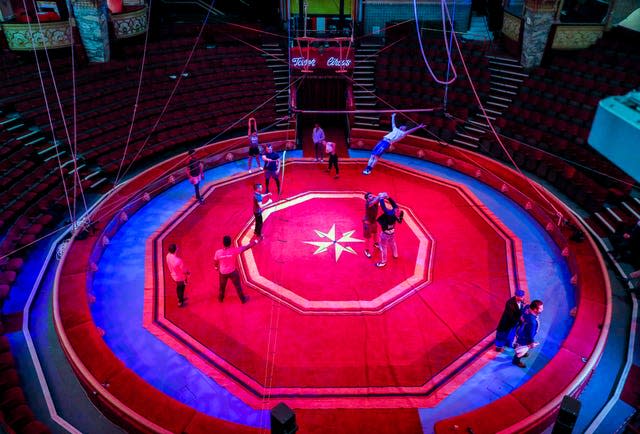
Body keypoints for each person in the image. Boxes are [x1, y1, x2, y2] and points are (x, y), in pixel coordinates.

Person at [213, 235, 259, 303]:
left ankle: (221, 298)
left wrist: (216, 267)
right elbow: (246, 247)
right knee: (238, 286)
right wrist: (256, 241)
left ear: (223, 243)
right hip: (232, 272)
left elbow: (215, 261)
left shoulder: (218, 252)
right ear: (230, 243)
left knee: (222, 287)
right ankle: (243, 299)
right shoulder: (234, 250)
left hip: (223, 273)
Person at [512, 299, 544, 368]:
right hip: (524, 339)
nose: (542, 309)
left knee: (519, 346)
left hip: (519, 332)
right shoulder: (532, 322)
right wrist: (531, 343)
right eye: (541, 308)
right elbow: (530, 335)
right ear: (535, 309)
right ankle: (516, 360)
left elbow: (524, 308)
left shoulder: (527, 307)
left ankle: (519, 350)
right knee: (521, 351)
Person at [375, 194, 404, 268]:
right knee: (393, 242)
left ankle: (383, 262)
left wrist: (381, 198)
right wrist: (388, 197)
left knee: (383, 246)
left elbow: (383, 207)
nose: (396, 208)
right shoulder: (395, 215)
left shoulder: (389, 214)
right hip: (392, 232)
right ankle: (395, 254)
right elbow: (394, 205)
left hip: (385, 233)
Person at [362, 192, 382, 258]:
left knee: (375, 233)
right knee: (367, 238)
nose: (372, 197)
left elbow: (378, 199)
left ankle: (376, 244)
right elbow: (376, 199)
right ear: (367, 199)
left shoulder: (374, 201)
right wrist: (380, 195)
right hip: (367, 223)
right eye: (370, 196)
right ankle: (366, 250)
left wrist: (381, 196)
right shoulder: (368, 204)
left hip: (373, 221)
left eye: (372, 195)